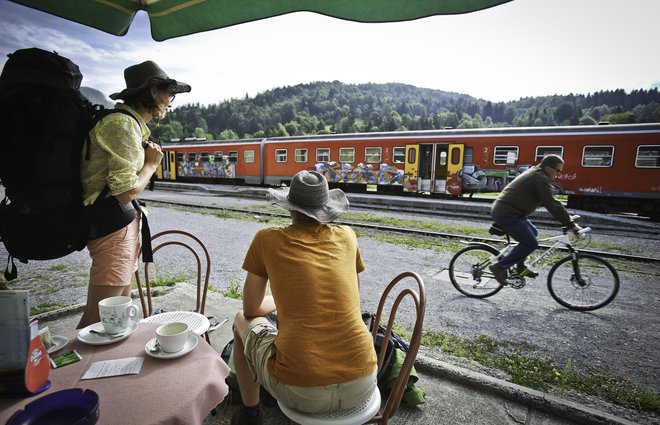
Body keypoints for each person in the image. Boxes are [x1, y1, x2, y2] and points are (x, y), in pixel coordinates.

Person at [231, 170, 377, 425]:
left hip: (300, 389)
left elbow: (251, 308)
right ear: (325, 208)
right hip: (362, 382)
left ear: (290, 207)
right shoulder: (348, 236)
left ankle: (251, 413)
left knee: (239, 321)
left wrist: (284, 298)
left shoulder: (266, 239)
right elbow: (352, 297)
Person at [76, 61, 191, 329]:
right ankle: (67, 369)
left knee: (116, 318)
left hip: (119, 227)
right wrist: (151, 164)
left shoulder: (129, 125)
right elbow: (126, 191)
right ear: (153, 91)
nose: (170, 103)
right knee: (97, 321)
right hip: (112, 228)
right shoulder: (123, 125)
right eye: (168, 94)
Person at [489, 154, 582, 284]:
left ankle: (520, 267)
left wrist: (566, 217)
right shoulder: (539, 178)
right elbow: (551, 203)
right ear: (549, 168)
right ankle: (499, 267)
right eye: (558, 170)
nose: (558, 174)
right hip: (507, 213)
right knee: (530, 243)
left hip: (514, 213)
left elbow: (552, 202)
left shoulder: (538, 174)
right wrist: (570, 224)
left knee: (533, 234)